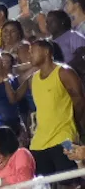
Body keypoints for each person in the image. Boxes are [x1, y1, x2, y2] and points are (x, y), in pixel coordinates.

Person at [25, 34, 85, 175]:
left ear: (46, 52)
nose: (29, 55)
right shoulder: (33, 79)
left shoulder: (64, 72)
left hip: (65, 138)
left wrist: (74, 122)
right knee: (43, 187)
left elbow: (80, 101)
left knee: (72, 181)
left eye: (33, 51)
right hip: (39, 142)